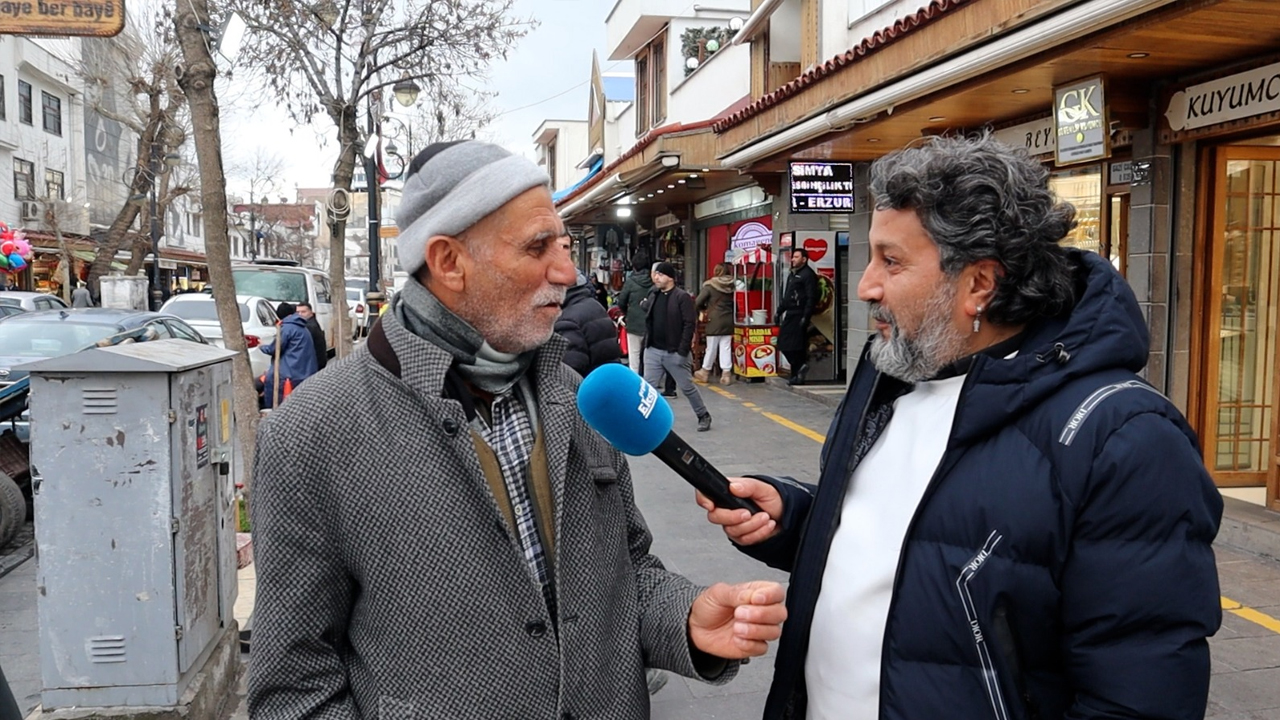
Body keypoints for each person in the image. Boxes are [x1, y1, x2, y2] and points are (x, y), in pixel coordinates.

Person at [248, 140, 786, 719]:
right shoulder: (312, 434)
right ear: (449, 262)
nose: (567, 272)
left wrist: (685, 618)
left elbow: (627, 572)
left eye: (564, 245)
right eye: (537, 247)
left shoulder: (579, 396)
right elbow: (294, 688)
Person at [698, 135, 1223, 720]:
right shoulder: (888, 375)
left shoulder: (1125, 438)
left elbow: (1138, 695)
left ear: (979, 284)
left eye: (891, 261)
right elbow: (920, 544)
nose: (866, 286)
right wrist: (797, 516)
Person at [641, 262, 711, 432]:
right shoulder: (654, 294)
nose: (656, 277)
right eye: (656, 274)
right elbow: (648, 311)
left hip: (674, 352)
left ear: (670, 278)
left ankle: (703, 415)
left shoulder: (681, 297)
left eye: (661, 275)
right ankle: (643, 421)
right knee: (647, 389)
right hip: (653, 350)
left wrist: (682, 350)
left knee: (687, 387)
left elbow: (689, 324)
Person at [555, 265, 623, 377]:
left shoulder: (567, 320)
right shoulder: (593, 304)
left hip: (589, 382)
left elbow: (570, 372)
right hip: (606, 378)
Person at [259, 302, 319, 408]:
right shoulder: (302, 327)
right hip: (303, 372)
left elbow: (274, 349)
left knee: (278, 400)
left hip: (289, 374)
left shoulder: (287, 328)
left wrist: (262, 346)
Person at [777, 247, 817, 385]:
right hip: (790, 313)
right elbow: (787, 296)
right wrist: (779, 311)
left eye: (796, 257)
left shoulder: (808, 275)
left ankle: (799, 370)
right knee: (783, 344)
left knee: (793, 345)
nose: (793, 259)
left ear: (804, 259)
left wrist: (806, 316)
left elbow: (811, 297)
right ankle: (798, 371)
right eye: (793, 257)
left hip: (799, 313)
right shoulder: (793, 274)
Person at [694, 262, 735, 385]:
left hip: (714, 320)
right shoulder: (732, 285)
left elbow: (698, 302)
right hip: (728, 320)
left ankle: (705, 371)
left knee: (711, 347)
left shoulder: (710, 286)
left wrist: (703, 309)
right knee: (726, 347)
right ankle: (726, 374)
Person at [614, 247, 653, 374]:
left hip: (634, 323)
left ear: (634, 266)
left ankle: (635, 381)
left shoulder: (630, 282)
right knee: (649, 357)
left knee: (634, 356)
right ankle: (648, 379)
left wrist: (627, 313)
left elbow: (621, 301)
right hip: (651, 324)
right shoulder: (654, 281)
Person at [294, 301, 328, 370]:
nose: (300, 314)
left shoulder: (309, 327)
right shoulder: (310, 324)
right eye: (297, 312)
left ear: (311, 313)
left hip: (313, 364)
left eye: (303, 312)